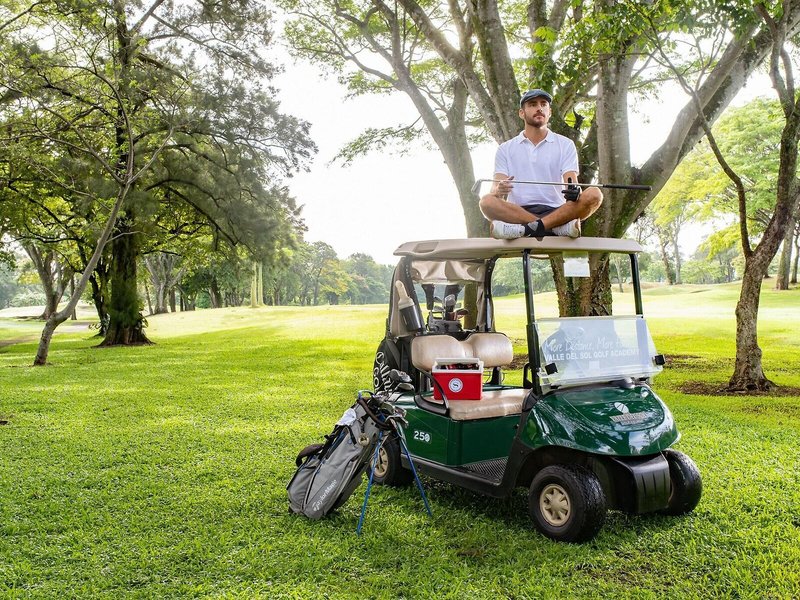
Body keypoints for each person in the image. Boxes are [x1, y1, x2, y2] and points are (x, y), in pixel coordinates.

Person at [479, 89, 603, 239]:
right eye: (532, 104)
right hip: (517, 212)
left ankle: (525, 229)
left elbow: (572, 184)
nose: (539, 108)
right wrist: (498, 189)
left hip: (558, 211)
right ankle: (554, 228)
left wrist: (575, 192)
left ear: (549, 112)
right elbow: (495, 189)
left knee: (595, 194)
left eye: (543, 104)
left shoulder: (566, 144)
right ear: (521, 113)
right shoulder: (505, 149)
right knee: (486, 201)